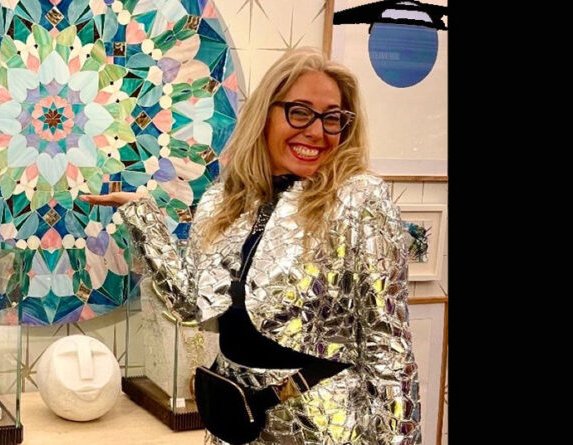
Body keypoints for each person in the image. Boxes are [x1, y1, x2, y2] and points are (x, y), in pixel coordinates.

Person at [83, 47, 421, 444]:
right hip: (234, 417)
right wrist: (143, 216)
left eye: (332, 118)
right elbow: (192, 305)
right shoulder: (222, 201)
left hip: (322, 425)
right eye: (300, 112)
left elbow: (388, 348)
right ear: (265, 113)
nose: (317, 131)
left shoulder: (359, 200)